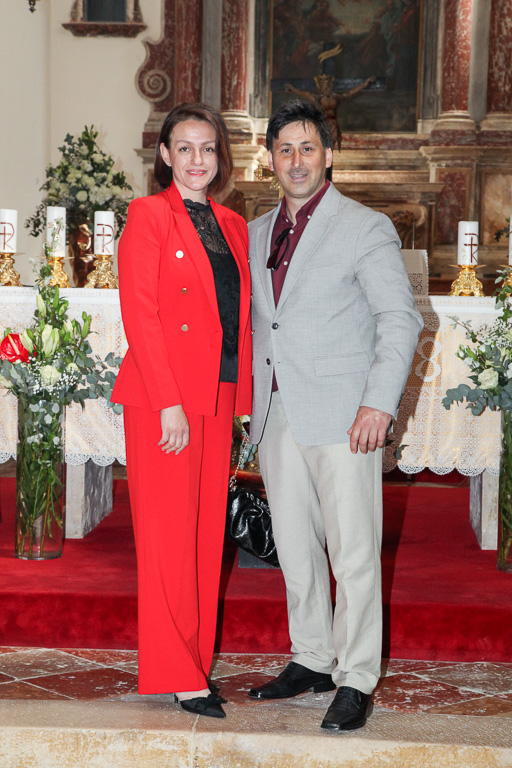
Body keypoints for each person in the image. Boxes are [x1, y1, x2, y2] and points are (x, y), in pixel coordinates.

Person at [247, 100, 422, 731]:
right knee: (295, 546)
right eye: (284, 150)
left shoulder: (364, 226)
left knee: (353, 552)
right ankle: (313, 657)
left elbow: (399, 318)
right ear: (270, 159)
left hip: (346, 415)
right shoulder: (255, 231)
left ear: (328, 153)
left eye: (307, 148)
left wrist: (378, 403)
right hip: (276, 411)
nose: (296, 161)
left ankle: (356, 676)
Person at [112, 103, 252, 719]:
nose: (198, 159)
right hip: (163, 399)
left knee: (203, 539)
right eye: (186, 148)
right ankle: (178, 673)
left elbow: (238, 316)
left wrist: (242, 400)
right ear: (166, 154)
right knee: (169, 539)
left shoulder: (233, 224)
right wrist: (168, 400)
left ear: (220, 157)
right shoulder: (148, 215)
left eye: (208, 148)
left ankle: (192, 661)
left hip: (216, 396)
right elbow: (140, 313)